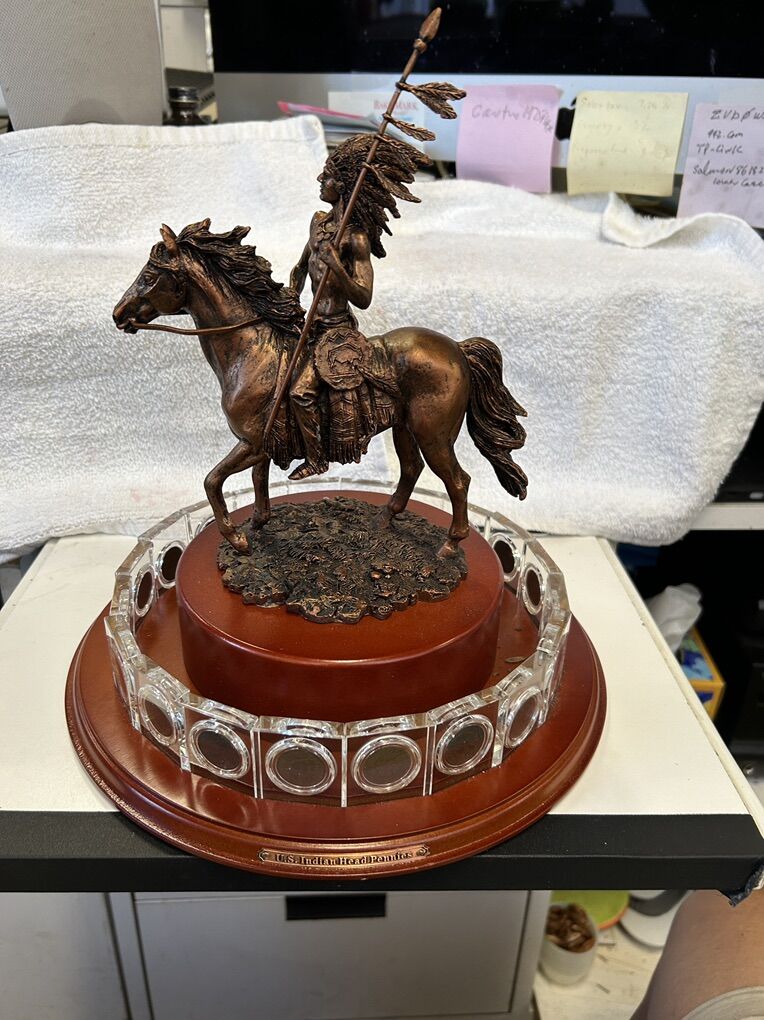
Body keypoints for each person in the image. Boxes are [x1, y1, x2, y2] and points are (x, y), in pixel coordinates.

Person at [288, 133, 429, 480]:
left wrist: (338, 268)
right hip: (309, 322)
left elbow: (364, 297)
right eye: (323, 173)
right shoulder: (318, 222)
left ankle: (318, 458)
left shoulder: (355, 239)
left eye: (329, 176)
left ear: (347, 184)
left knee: (301, 392)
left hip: (337, 329)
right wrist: (290, 298)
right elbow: (301, 267)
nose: (321, 181)